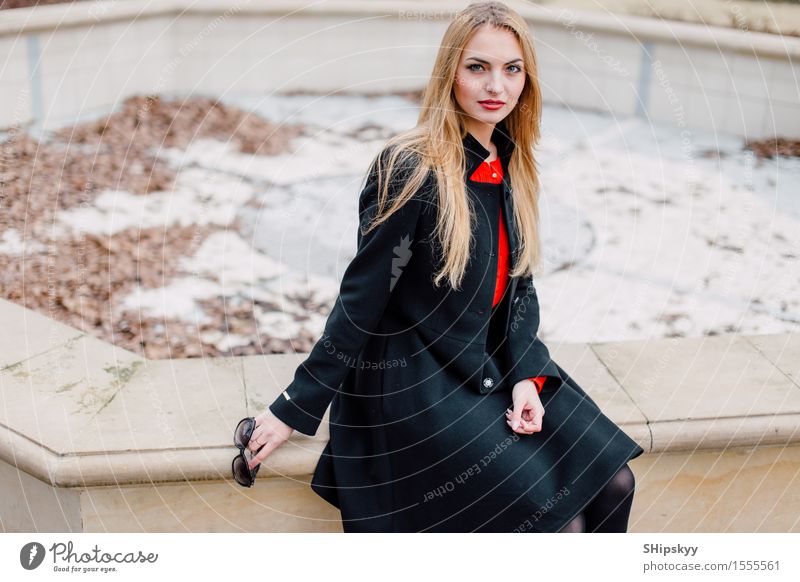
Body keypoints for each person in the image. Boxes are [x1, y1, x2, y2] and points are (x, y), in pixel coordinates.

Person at [239, 1, 644, 533]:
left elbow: (520, 292)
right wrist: (294, 406)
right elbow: (362, 299)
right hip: (413, 383)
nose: (495, 84)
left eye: (511, 68)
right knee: (555, 526)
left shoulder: (510, 163)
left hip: (490, 366)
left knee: (615, 484)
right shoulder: (409, 168)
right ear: (449, 72)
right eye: (477, 66)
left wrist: (527, 377)